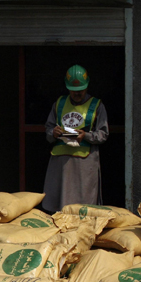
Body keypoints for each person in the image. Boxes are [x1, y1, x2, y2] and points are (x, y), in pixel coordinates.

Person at [42, 64, 109, 213]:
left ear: (87, 86)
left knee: (82, 207)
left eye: (80, 91)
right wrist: (53, 133)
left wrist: (86, 135)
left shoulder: (96, 106)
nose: (77, 94)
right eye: (73, 91)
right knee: (59, 206)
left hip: (84, 163)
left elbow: (103, 134)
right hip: (60, 163)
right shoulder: (59, 104)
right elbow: (48, 129)